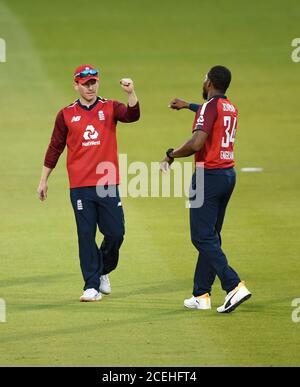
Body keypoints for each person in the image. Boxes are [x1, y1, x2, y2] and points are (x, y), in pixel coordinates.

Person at [37, 64, 140, 302]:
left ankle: (103, 269)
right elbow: (55, 147)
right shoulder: (65, 114)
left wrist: (131, 93)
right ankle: (91, 286)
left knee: (116, 233)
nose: (90, 87)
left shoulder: (110, 107)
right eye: (85, 84)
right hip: (80, 185)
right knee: (85, 235)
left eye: (93, 82)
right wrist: (44, 179)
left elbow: (132, 116)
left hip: (107, 183)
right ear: (76, 85)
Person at [160, 65, 251, 313]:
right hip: (227, 175)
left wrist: (171, 154)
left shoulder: (211, 107)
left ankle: (234, 285)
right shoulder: (230, 106)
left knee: (201, 236)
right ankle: (201, 294)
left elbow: (196, 142)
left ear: (209, 82)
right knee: (211, 235)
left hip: (207, 177)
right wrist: (188, 105)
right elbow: (209, 111)